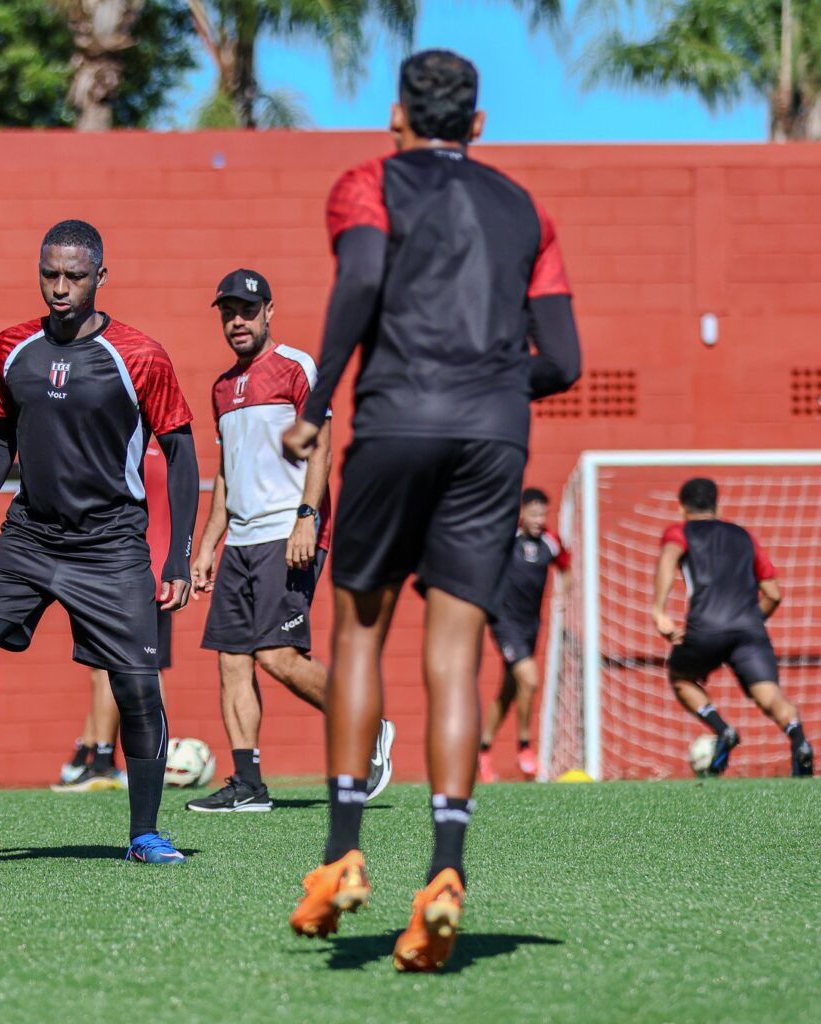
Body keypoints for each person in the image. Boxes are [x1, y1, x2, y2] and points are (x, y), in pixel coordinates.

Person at [281, 50, 581, 971]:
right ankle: (447, 871)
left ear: (396, 116)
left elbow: (361, 282)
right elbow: (564, 360)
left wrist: (316, 403)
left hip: (396, 424)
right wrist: (495, 387)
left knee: (359, 635)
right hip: (495, 441)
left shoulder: (367, 183)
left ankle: (342, 854)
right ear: (478, 124)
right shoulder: (527, 209)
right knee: (455, 655)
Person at [0, 220, 200, 865]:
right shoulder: (12, 347)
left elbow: (180, 451)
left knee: (136, 686)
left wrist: (177, 556)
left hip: (111, 545)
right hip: (28, 536)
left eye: (74, 276)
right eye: (50, 274)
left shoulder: (140, 355)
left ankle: (144, 833)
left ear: (100, 278)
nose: (60, 288)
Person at [188, 268, 394, 813]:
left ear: (269, 312)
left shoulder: (297, 367)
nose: (237, 321)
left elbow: (321, 446)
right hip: (240, 541)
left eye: (247, 311)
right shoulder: (221, 388)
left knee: (278, 656)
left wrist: (307, 516)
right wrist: (207, 545)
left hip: (288, 532)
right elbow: (227, 473)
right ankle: (248, 784)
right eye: (228, 313)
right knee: (232, 659)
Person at [652, 477, 811, 778]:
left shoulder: (679, 532)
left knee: (681, 677)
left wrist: (659, 611)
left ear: (682, 508)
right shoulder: (744, 536)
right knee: (770, 696)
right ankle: (799, 740)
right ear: (717, 505)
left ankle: (723, 729)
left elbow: (669, 557)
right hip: (749, 630)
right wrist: (749, 621)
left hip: (706, 628)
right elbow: (774, 593)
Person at [56, 441, 172, 794]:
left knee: (113, 669)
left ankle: (103, 761)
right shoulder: (166, 452)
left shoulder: (121, 449)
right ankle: (93, 754)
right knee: (133, 669)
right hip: (150, 572)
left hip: (125, 571)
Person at [478, 487, 571, 783]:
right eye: (533, 514)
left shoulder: (550, 541)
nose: (538, 520)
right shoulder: (509, 538)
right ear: (523, 512)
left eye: (543, 514)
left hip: (531, 626)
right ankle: (524, 747)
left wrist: (563, 594)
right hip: (504, 623)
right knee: (529, 678)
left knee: (508, 691)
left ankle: (483, 749)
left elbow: (566, 568)